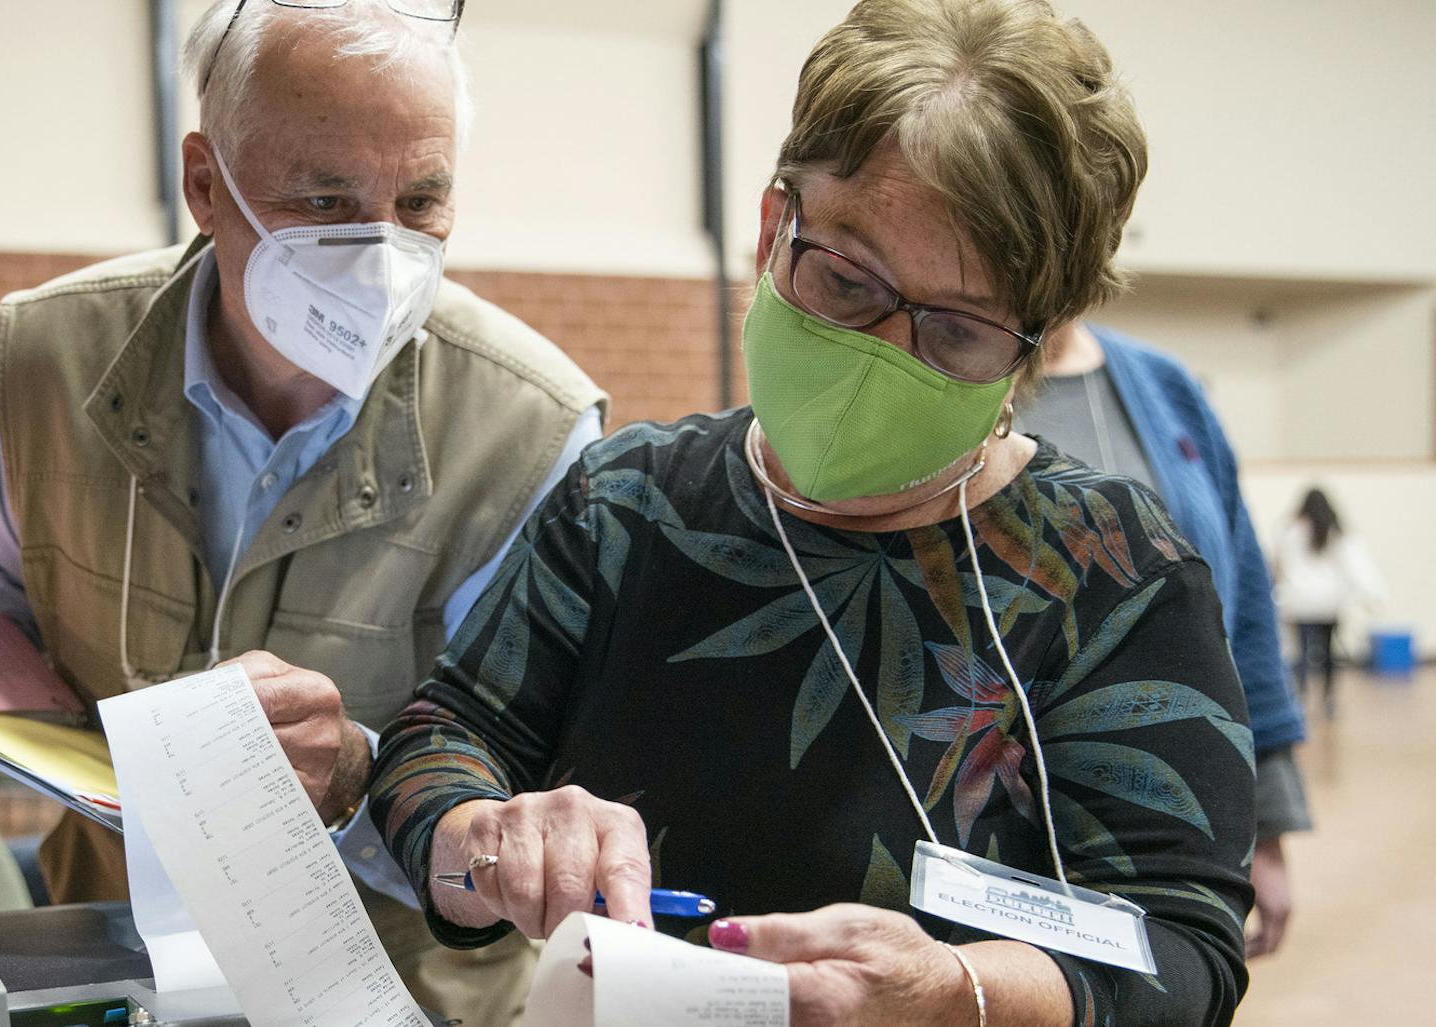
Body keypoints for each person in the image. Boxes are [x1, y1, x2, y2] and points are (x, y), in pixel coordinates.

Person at [370, 1, 1254, 1023]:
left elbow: (1182, 949)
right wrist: (486, 841)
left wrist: (956, 993)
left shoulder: (1110, 575)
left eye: (957, 333)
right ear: (770, 230)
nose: (881, 353)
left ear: (1037, 344)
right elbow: (442, 739)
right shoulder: (629, 506)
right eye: (844, 280)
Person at [0, 2, 605, 1021]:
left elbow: (530, 823)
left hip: (392, 996)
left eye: (420, 201)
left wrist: (357, 779)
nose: (378, 251)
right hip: (108, 976)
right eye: (324, 199)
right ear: (205, 184)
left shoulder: (529, 432)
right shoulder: (51, 361)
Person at [1023, 323, 1311, 958]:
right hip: (1005, 822)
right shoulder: (946, 374)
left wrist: (1267, 821)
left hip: (1180, 822)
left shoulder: (1164, 383)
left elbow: (1243, 605)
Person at [1273, 487, 1384, 718]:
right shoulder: (1337, 533)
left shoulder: (1291, 531)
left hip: (1300, 602)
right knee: (1328, 653)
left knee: (1302, 653)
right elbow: (1357, 567)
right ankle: (1328, 698)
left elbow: (1279, 565)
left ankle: (1301, 696)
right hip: (1329, 604)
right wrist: (1373, 596)